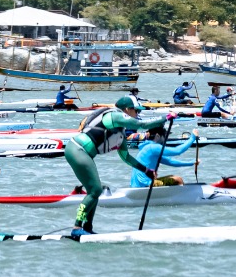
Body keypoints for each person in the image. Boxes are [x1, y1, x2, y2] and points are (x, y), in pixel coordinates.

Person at [67, 97, 171, 234]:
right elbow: (141, 124)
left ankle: (87, 228)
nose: (137, 114)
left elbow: (126, 158)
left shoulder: (120, 133)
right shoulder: (113, 116)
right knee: (95, 190)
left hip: (81, 153)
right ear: (127, 109)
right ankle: (77, 228)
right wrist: (165, 118)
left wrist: (146, 170)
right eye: (136, 111)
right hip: (77, 149)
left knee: (94, 191)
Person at [131, 127, 197, 188]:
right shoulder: (153, 147)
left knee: (172, 177)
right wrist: (192, 138)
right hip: (145, 184)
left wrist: (192, 163)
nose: (165, 139)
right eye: (164, 136)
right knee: (178, 179)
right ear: (157, 136)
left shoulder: (147, 148)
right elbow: (177, 151)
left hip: (137, 185)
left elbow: (170, 161)